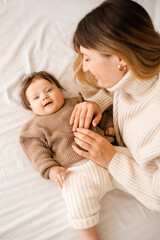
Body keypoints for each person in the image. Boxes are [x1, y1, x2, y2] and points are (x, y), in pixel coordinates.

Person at [70, 1, 160, 238]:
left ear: (120, 58)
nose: (86, 68)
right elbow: (124, 87)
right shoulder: (142, 66)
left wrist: (111, 159)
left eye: (87, 58)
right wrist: (97, 102)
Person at [19, 71, 115, 240]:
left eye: (49, 90)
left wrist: (109, 126)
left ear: (60, 90)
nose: (44, 97)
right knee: (77, 202)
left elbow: (99, 115)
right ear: (30, 108)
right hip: (76, 172)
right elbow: (38, 154)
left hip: (107, 154)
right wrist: (51, 169)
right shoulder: (34, 128)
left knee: (134, 164)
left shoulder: (78, 103)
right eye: (36, 98)